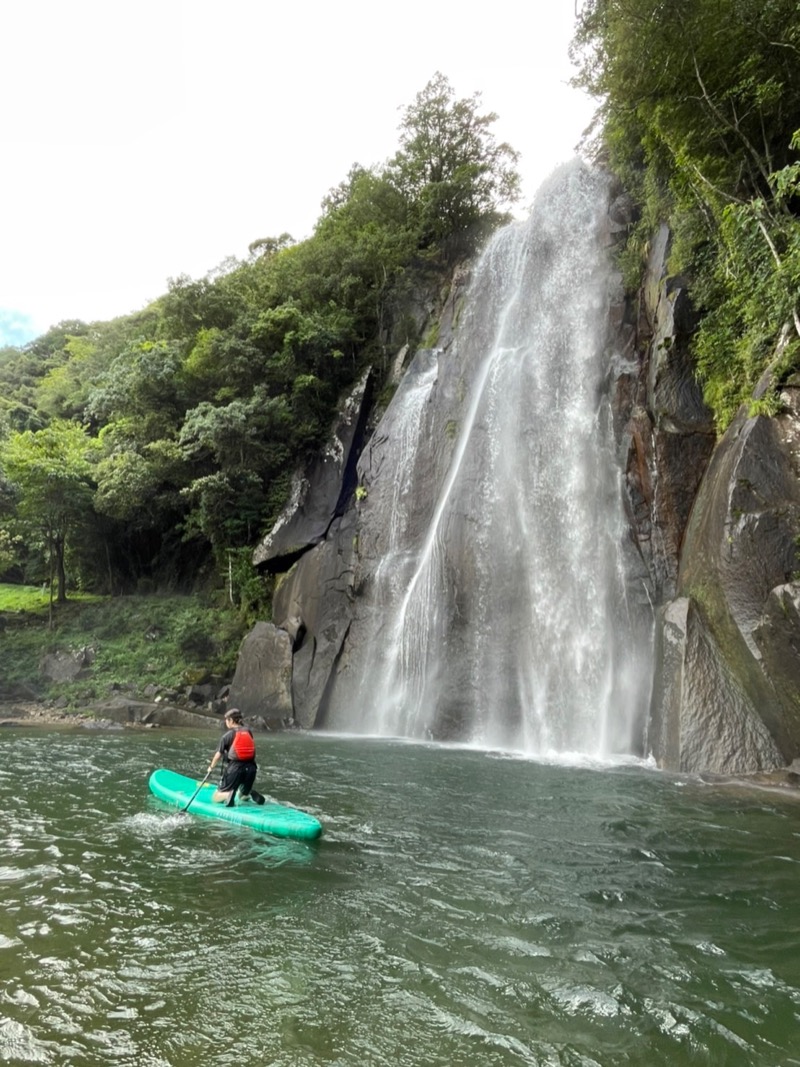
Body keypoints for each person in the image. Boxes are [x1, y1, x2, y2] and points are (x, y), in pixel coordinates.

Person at [207, 709, 265, 806]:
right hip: (251, 769)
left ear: (231, 720)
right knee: (241, 796)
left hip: (235, 769)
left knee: (215, 797)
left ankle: (228, 795)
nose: (225, 722)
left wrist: (211, 768)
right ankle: (249, 794)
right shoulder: (248, 731)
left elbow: (218, 755)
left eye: (226, 720)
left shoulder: (227, 736)